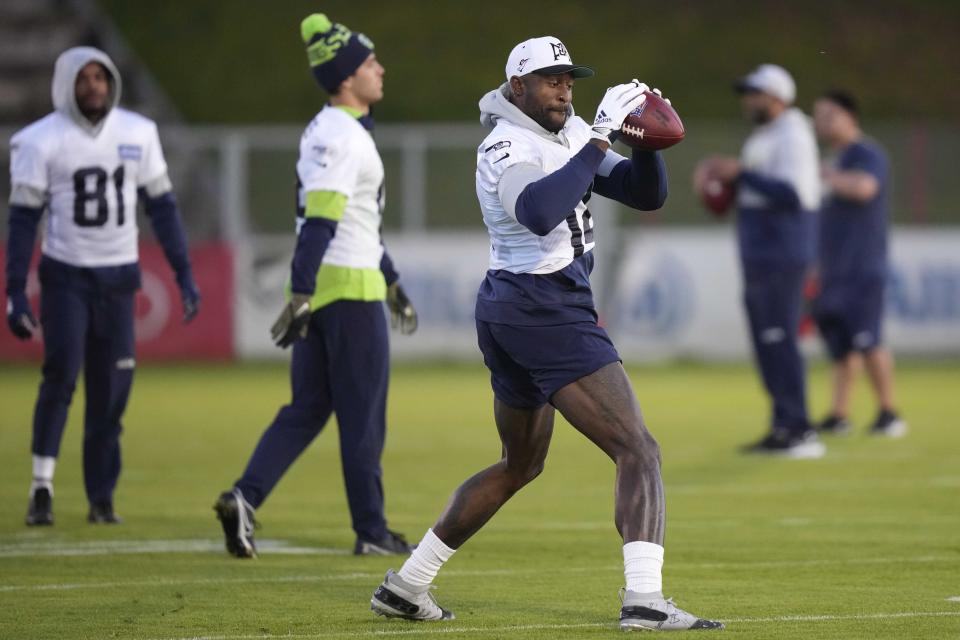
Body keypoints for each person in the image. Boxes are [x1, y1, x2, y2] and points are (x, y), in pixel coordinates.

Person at [368, 36, 723, 631]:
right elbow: (536, 210)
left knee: (519, 463)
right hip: (542, 307)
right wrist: (601, 137)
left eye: (568, 79)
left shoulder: (568, 133)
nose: (564, 89)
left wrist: (644, 138)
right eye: (550, 79)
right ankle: (644, 600)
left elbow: (644, 193)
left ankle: (406, 585)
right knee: (638, 448)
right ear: (517, 88)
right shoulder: (505, 143)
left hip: (519, 309)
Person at [213, 14, 418, 559]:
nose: (380, 69)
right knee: (363, 417)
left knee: (306, 409)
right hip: (347, 294)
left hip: (336, 284)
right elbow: (325, 219)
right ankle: (372, 531)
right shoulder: (345, 136)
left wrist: (390, 280)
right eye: (370, 62)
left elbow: (350, 220)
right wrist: (300, 290)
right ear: (346, 77)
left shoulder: (324, 130)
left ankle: (244, 497)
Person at [5, 47, 200, 525]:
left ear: (111, 82)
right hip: (66, 275)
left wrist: (183, 272)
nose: (94, 86)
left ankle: (101, 496)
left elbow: (163, 209)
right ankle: (42, 486)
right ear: (66, 83)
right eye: (84, 78)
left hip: (118, 279)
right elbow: (24, 221)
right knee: (62, 375)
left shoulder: (138, 132)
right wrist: (13, 290)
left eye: (101, 77)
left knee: (112, 392)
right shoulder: (39, 140)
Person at [695, 64, 824, 458]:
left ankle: (799, 428)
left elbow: (793, 194)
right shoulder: (766, 135)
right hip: (761, 251)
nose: (748, 100)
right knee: (767, 341)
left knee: (779, 337)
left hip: (780, 250)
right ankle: (783, 424)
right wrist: (725, 183)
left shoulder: (794, 134)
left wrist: (740, 174)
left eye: (756, 93)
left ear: (778, 97)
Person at [811, 90, 905, 438]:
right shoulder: (837, 157)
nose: (822, 123)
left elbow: (865, 188)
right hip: (834, 268)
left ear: (850, 117)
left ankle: (889, 412)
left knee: (869, 340)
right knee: (842, 345)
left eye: (829, 115)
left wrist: (826, 177)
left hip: (862, 265)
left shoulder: (866, 153)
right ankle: (840, 413)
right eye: (819, 116)